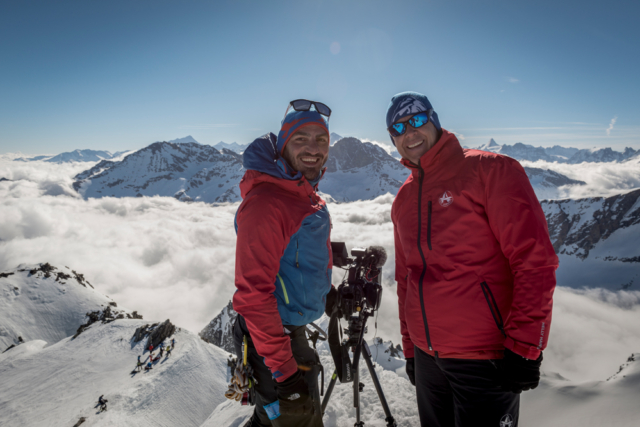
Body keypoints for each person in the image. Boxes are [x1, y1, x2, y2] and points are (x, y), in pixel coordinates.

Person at [386, 91, 558, 427]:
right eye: (398, 127)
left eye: (417, 120)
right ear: (393, 139)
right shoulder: (404, 198)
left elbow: (534, 260)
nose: (410, 132)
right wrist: (410, 348)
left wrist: (526, 345)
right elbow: (406, 279)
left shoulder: (491, 170)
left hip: (483, 357)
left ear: (434, 121)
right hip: (427, 359)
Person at [232, 99, 333, 427]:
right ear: (283, 144)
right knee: (293, 420)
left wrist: (326, 284)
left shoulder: (299, 191)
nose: (313, 148)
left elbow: (294, 249)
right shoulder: (268, 203)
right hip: (274, 343)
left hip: (285, 334)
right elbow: (253, 296)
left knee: (275, 421)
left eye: (321, 139)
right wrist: (286, 376)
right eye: (301, 138)